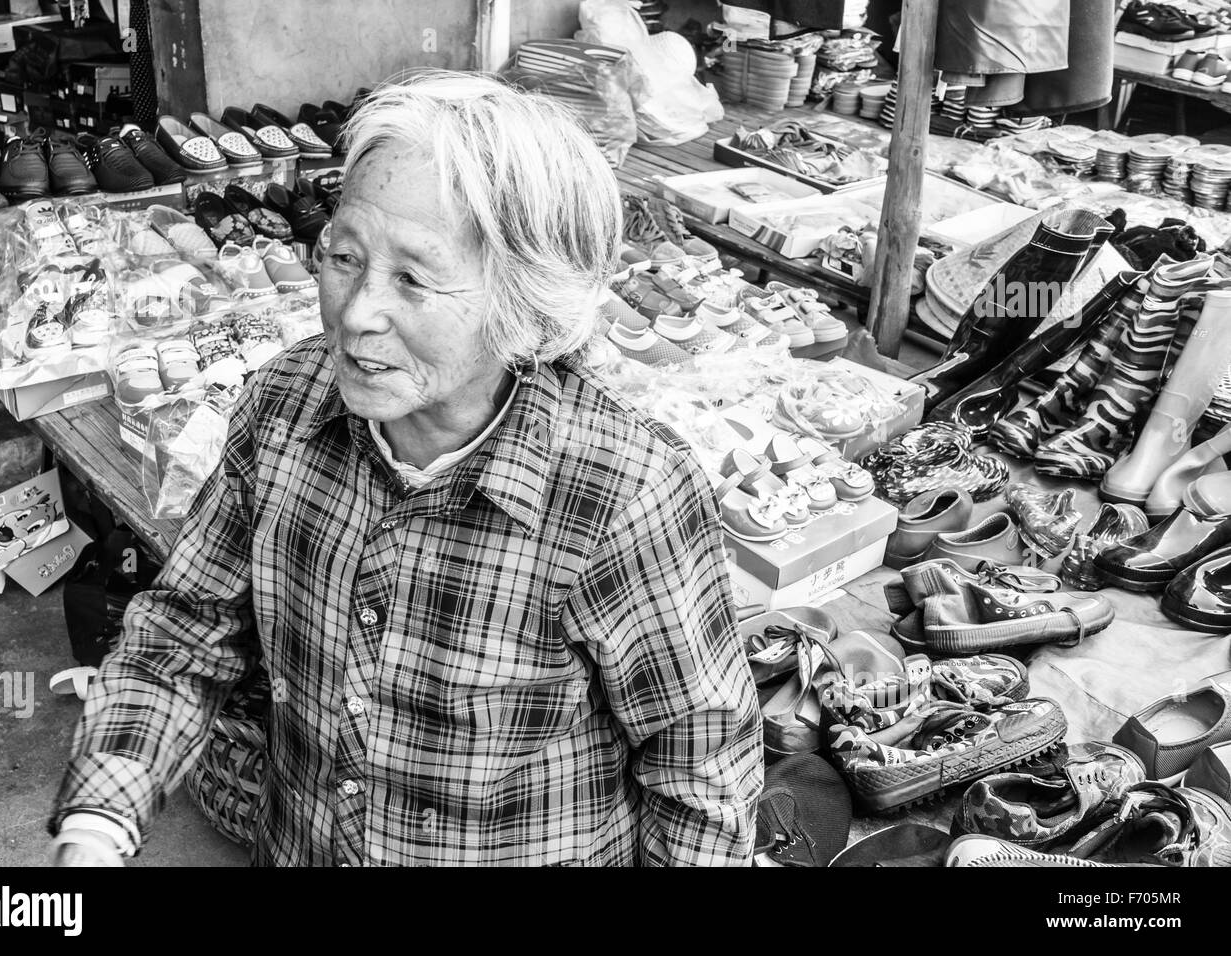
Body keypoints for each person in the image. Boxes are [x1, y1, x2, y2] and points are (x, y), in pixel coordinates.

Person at [49, 71, 762, 867]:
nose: (355, 314)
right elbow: (184, 634)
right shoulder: (284, 407)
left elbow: (700, 774)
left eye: (414, 280)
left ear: (527, 304)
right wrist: (96, 829)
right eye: (344, 256)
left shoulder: (623, 493)